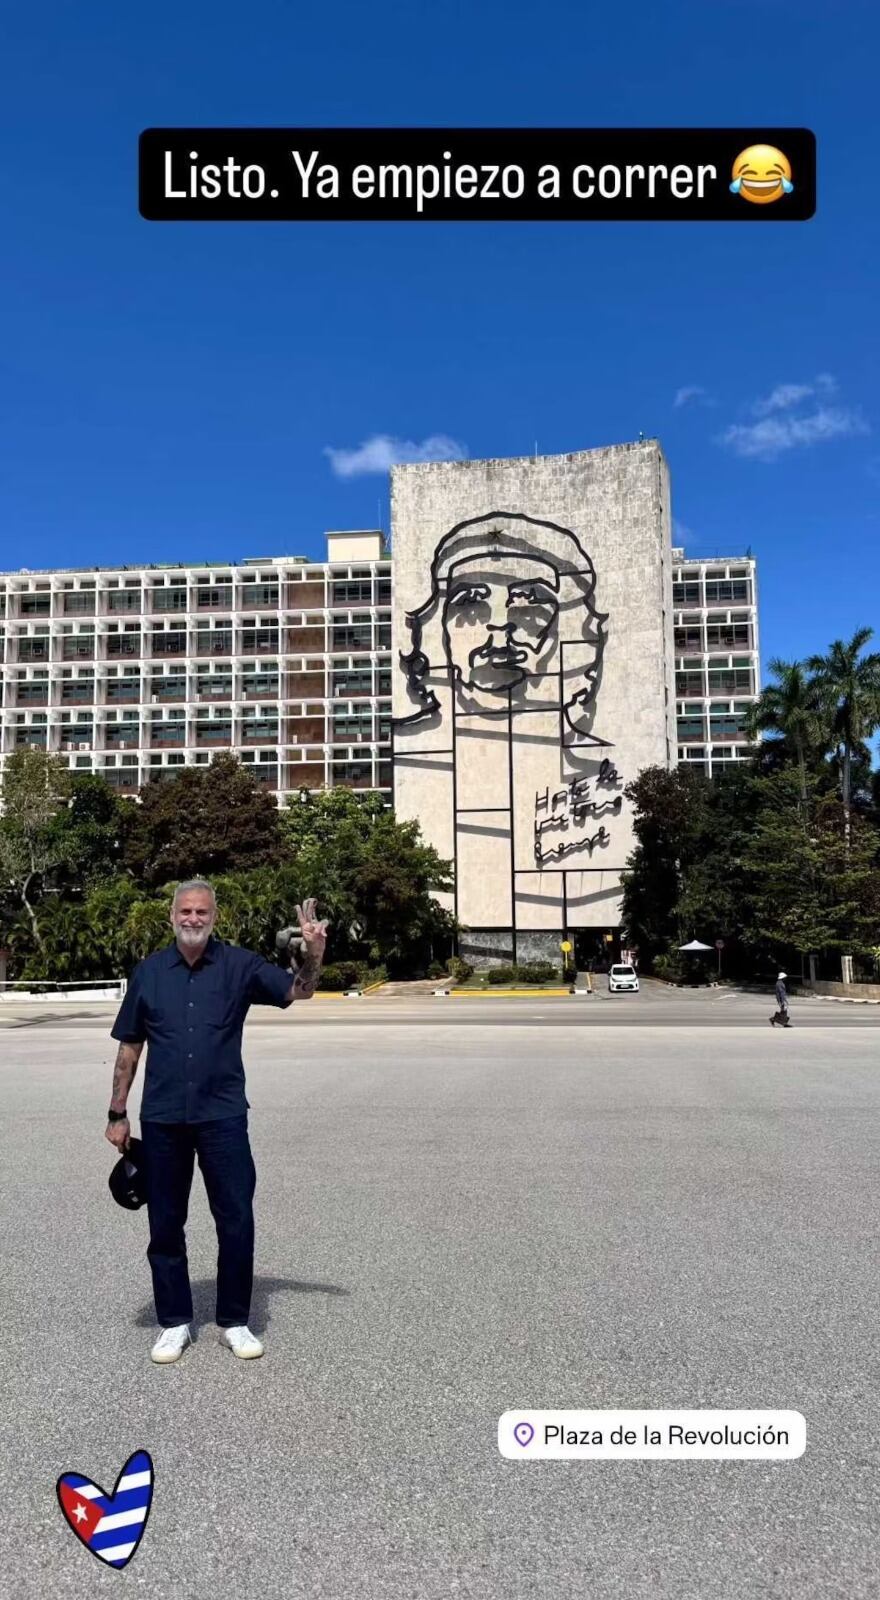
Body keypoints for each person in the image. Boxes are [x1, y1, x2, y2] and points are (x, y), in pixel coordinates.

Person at [105, 879, 328, 1364]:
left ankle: (234, 1320)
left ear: (214, 917)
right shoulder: (149, 972)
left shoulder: (239, 966)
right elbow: (130, 1046)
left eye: (201, 912)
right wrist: (117, 1111)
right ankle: (174, 1322)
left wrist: (313, 951)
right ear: (172, 916)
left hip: (222, 1116)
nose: (193, 918)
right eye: (185, 911)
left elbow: (299, 990)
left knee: (236, 1219)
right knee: (165, 1223)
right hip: (163, 1118)